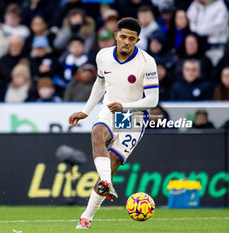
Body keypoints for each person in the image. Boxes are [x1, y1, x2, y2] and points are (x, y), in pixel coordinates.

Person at [68, 17, 159, 229]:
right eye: (123, 36)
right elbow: (100, 84)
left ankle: (87, 215)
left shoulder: (147, 62)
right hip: (110, 109)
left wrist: (125, 107)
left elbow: (153, 100)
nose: (126, 42)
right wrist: (85, 111)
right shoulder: (103, 56)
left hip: (134, 116)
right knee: (97, 132)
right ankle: (106, 182)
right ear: (116, 35)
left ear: (137, 40)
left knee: (112, 163)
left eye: (132, 38)